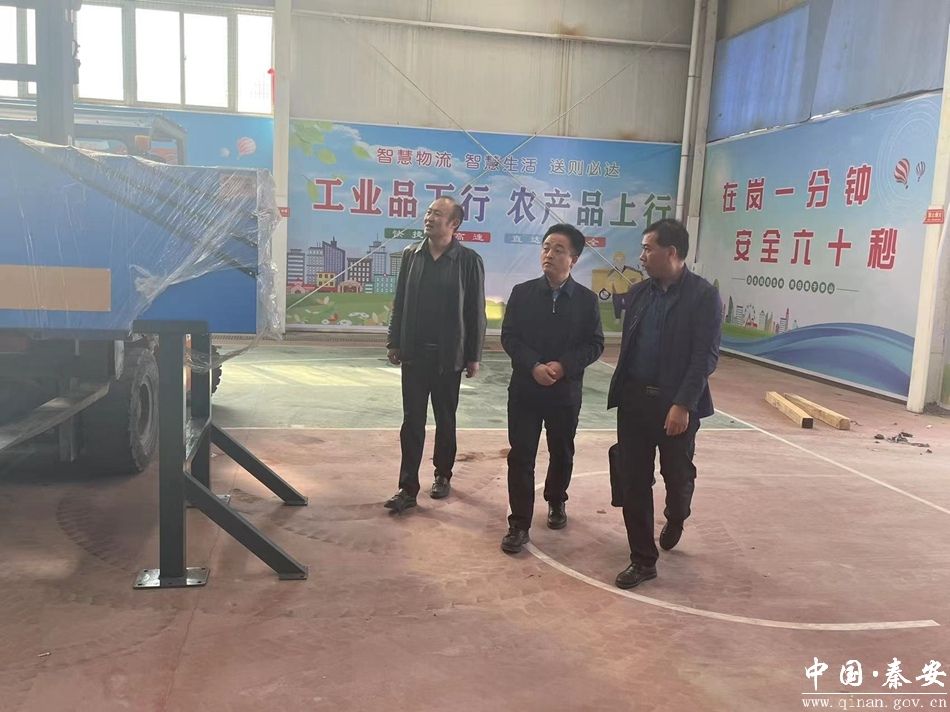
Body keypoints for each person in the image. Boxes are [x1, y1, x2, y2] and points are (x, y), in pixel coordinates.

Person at [606, 218, 721, 588]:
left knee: (677, 473)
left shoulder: (703, 296)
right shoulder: (639, 293)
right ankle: (642, 559)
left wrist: (683, 404)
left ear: (671, 252)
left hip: (675, 405)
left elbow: (704, 357)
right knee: (634, 480)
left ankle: (677, 514)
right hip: (634, 401)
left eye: (647, 248)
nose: (641, 256)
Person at [499, 224, 604, 553]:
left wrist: (564, 366)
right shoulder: (522, 293)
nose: (549, 254)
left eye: (559, 250)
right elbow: (509, 337)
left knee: (562, 451)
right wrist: (533, 365)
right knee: (521, 456)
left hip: (564, 392)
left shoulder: (586, 301)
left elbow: (595, 344)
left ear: (574, 258)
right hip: (525, 391)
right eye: (546, 247)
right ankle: (518, 524)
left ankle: (557, 500)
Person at [384, 196, 486, 513]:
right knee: (412, 421)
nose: (429, 218)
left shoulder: (468, 260)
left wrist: (473, 355)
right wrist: (394, 341)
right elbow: (400, 301)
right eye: (428, 212)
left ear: (454, 224)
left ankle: (443, 474)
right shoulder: (411, 255)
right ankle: (407, 488)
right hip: (414, 355)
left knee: (445, 419)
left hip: (448, 357)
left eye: (437, 214)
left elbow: (475, 311)